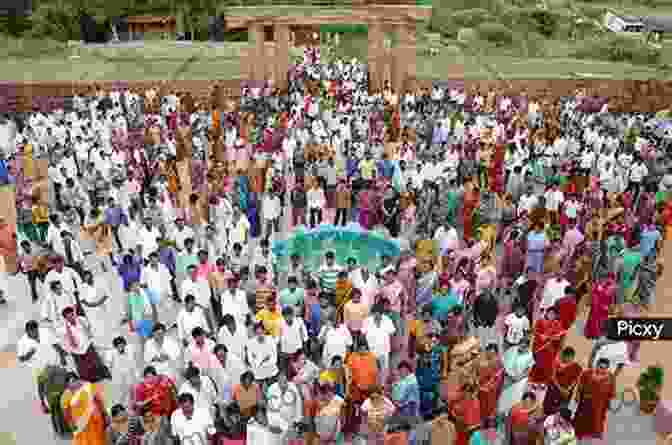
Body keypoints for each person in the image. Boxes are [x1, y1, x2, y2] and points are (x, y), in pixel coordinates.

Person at [58, 306, 111, 383]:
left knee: (95, 363)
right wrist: (68, 350)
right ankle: (89, 382)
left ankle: (103, 376)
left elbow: (89, 328)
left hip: (87, 345)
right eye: (68, 317)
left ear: (74, 314)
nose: (70, 318)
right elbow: (64, 341)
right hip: (76, 351)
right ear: (65, 318)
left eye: (71, 315)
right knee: (83, 369)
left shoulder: (81, 319)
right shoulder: (63, 328)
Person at [573, 357, 616, 439]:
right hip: (586, 401)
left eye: (604, 368)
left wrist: (609, 403)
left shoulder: (611, 377)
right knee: (582, 418)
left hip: (600, 404)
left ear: (607, 368)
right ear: (597, 365)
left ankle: (596, 433)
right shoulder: (587, 373)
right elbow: (580, 386)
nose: (601, 370)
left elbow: (611, 391)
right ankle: (579, 432)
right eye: (600, 367)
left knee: (598, 419)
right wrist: (577, 396)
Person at [61, 372, 109, 445]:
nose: (74, 383)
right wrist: (71, 425)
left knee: (99, 440)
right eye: (70, 382)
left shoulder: (88, 386)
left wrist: (105, 414)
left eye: (74, 380)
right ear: (67, 385)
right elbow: (66, 413)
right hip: (81, 425)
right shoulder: (65, 396)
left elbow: (99, 401)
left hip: (95, 421)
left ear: (78, 379)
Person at [497, 338, 534, 418]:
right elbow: (503, 361)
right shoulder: (512, 349)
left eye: (524, 346)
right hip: (507, 378)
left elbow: (528, 370)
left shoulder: (530, 355)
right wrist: (506, 371)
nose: (521, 347)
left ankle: (510, 414)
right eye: (521, 345)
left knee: (514, 398)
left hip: (518, 381)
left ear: (527, 347)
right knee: (504, 396)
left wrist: (519, 377)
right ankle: (501, 413)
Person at [529, 307, 565, 385]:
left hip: (548, 350)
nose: (551, 315)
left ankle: (542, 382)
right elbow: (534, 330)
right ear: (547, 313)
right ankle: (533, 381)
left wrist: (553, 337)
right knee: (536, 365)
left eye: (553, 314)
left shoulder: (557, 324)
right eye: (550, 313)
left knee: (546, 367)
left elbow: (559, 336)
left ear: (556, 316)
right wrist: (540, 335)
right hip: (538, 348)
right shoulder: (540, 321)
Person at [543, 347, 582, 415]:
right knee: (547, 410)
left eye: (569, 357)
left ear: (572, 357)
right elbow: (553, 377)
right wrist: (561, 389)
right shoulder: (556, 364)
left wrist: (568, 389)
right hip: (553, 392)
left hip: (565, 395)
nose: (566, 359)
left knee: (559, 413)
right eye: (565, 356)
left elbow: (576, 380)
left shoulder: (577, 367)